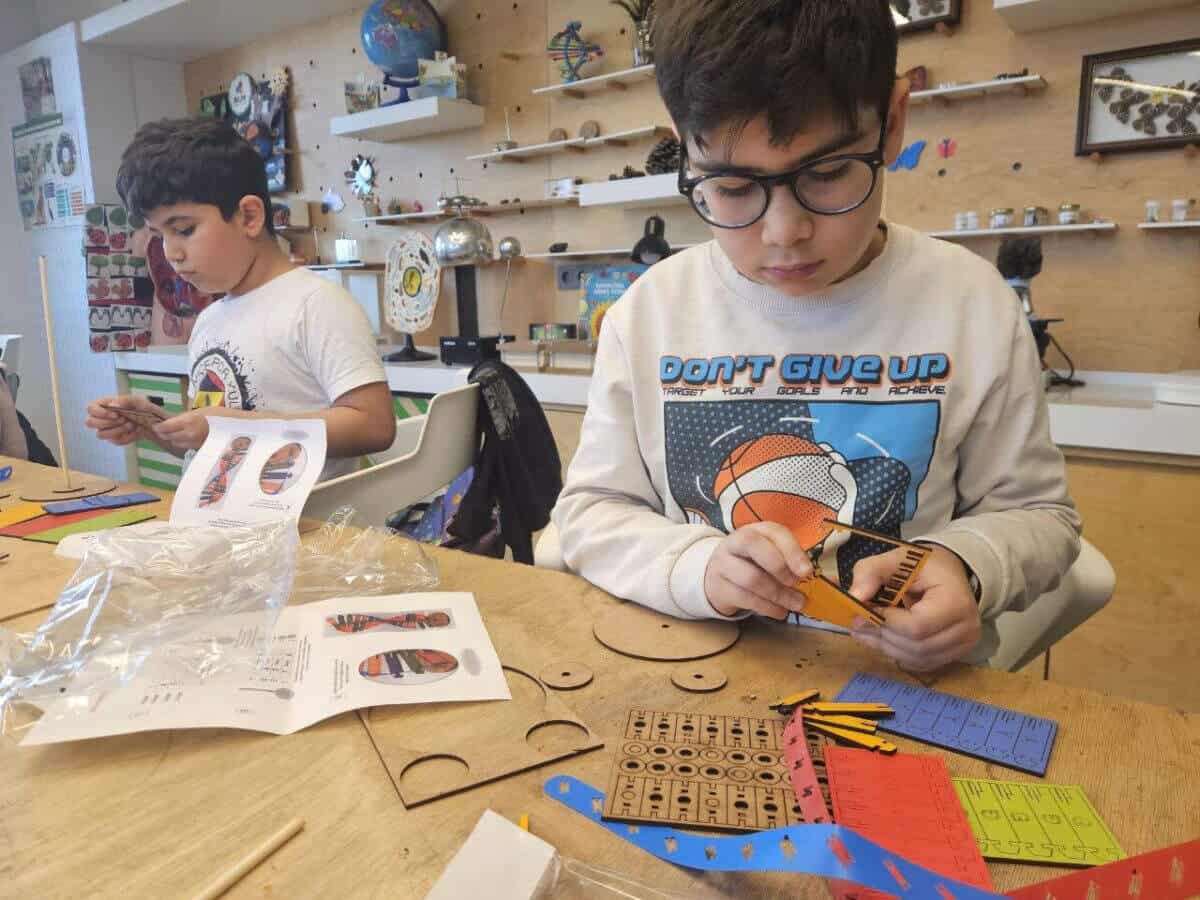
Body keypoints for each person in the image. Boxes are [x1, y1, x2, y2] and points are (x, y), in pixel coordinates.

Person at [551, 0, 1081, 673]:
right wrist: (697, 565)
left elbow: (1041, 517)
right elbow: (592, 512)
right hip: (699, 675)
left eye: (827, 174)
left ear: (892, 122)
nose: (784, 233)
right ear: (684, 147)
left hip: (909, 689)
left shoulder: (972, 304)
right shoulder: (648, 313)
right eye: (732, 186)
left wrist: (965, 565)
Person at [85, 118, 394, 479]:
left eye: (183, 230)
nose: (171, 253)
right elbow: (212, 447)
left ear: (249, 216)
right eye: (159, 235)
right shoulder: (209, 321)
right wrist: (155, 426)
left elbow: (374, 425)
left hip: (302, 515)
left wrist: (239, 427)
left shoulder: (317, 305)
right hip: (219, 512)